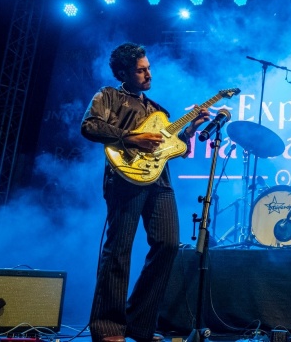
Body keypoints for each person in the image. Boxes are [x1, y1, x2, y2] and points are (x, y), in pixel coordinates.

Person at [81, 42, 211, 342]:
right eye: (141, 70)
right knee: (119, 250)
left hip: (160, 181)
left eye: (149, 68)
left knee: (168, 244)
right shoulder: (109, 96)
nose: (148, 74)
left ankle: (140, 325)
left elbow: (170, 150)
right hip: (125, 177)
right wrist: (133, 138)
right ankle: (108, 328)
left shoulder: (159, 110)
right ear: (124, 72)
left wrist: (189, 131)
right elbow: (89, 126)